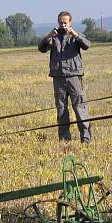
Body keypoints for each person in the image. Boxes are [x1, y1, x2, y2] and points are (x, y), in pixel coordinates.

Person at [38, 10, 92, 143]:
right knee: (61, 109)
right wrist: (49, 36)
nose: (63, 25)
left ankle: (85, 138)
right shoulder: (53, 37)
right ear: (58, 22)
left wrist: (75, 34)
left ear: (70, 23)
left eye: (65, 22)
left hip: (74, 77)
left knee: (80, 107)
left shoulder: (76, 36)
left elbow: (87, 45)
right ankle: (64, 138)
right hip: (58, 78)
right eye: (61, 22)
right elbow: (41, 48)